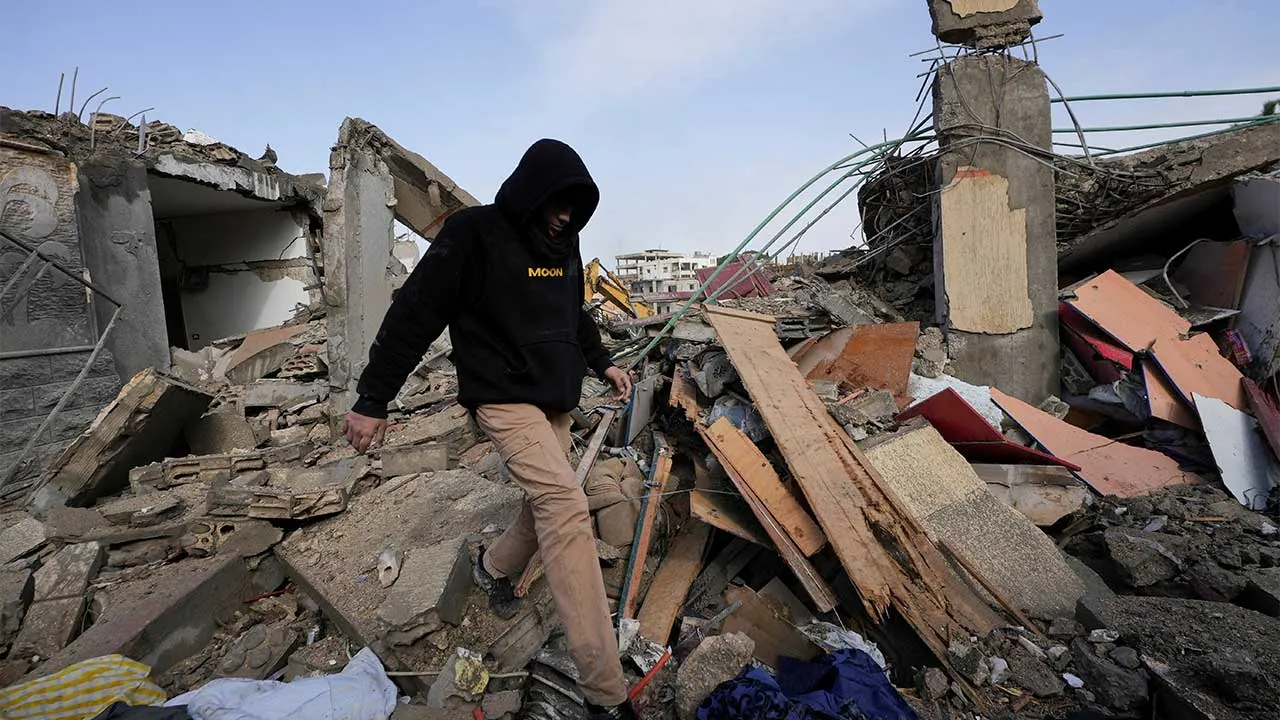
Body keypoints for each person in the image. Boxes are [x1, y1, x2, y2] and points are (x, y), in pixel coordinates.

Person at [342, 139, 636, 719]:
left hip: (554, 399)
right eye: (557, 203)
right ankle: (606, 692)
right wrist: (373, 398)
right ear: (531, 190)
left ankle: (492, 567)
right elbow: (416, 312)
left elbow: (573, 313)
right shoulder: (474, 233)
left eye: (575, 207)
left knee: (545, 502)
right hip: (501, 398)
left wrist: (602, 361)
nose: (565, 216)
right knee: (566, 503)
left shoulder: (565, 243)